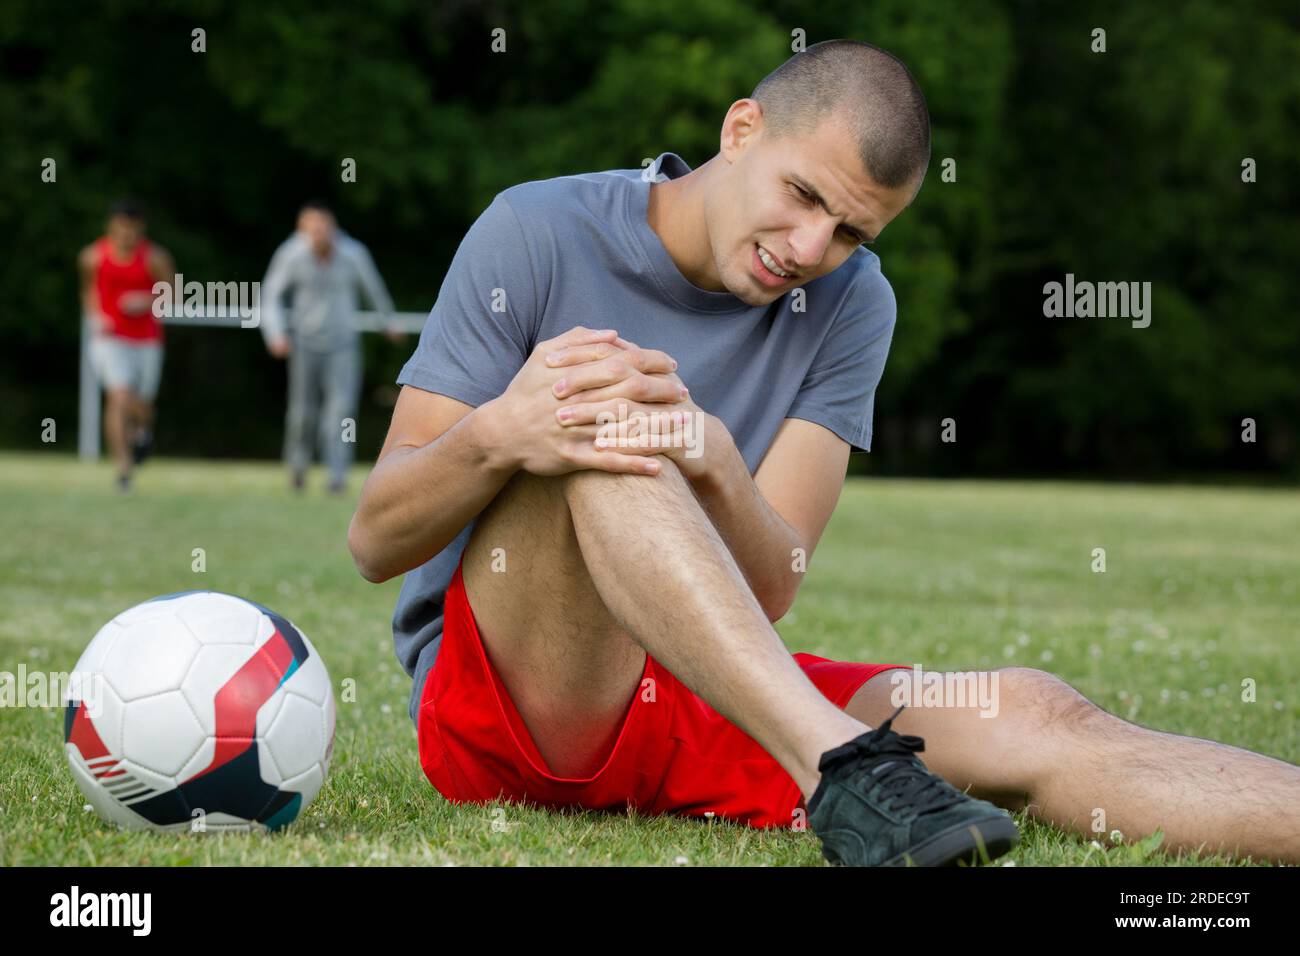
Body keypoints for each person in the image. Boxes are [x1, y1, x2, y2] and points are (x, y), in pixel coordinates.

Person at [348, 40, 1300, 866]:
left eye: (852, 231)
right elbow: (375, 539)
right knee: (612, 416)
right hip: (510, 711)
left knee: (1036, 712)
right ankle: (842, 770)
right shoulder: (537, 229)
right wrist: (502, 434)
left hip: (709, 689)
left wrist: (715, 455)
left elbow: (769, 588)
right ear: (741, 129)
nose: (810, 249)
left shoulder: (854, 303)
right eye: (802, 195)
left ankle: (843, 763)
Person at [259, 202, 396, 494]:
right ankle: (297, 468)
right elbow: (270, 297)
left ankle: (337, 475)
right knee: (301, 412)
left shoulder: (353, 254)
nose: (319, 236)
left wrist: (388, 321)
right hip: (304, 343)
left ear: (332, 230)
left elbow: (373, 288)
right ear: (302, 232)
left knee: (342, 411)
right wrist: (275, 335)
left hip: (343, 345)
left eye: (323, 229)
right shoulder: (290, 254)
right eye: (311, 230)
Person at [79, 199, 175, 492]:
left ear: (140, 228)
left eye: (132, 228)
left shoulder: (155, 258)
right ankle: (124, 469)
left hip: (146, 340)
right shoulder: (92, 257)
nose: (126, 233)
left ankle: (143, 432)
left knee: (141, 405)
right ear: (111, 226)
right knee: (119, 397)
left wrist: (145, 301)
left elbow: (173, 295)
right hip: (110, 340)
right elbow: (88, 291)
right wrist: (97, 316)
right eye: (121, 226)